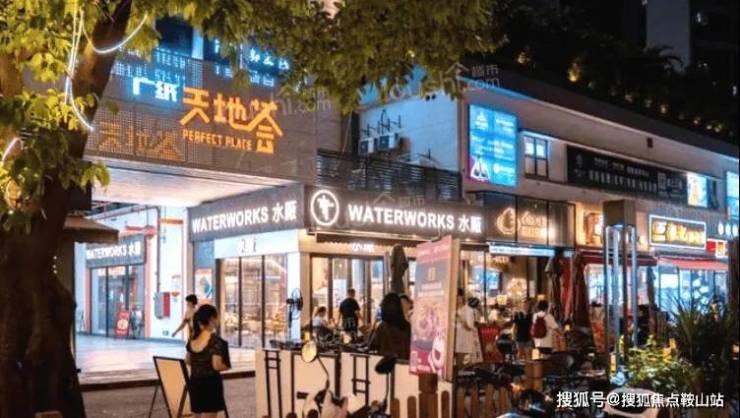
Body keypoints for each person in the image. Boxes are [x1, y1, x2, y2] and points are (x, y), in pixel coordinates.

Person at [186, 305, 230, 417]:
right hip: (210, 384)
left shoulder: (193, 339)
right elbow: (217, 365)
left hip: (194, 382)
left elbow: (188, 361)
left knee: (196, 415)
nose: (219, 319)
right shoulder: (216, 341)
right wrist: (227, 366)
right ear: (212, 319)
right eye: (218, 317)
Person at [369, 293, 411, 360]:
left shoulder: (382, 327)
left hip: (386, 363)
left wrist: (372, 330)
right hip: (404, 362)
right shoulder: (407, 326)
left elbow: (372, 346)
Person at [455, 289, 478, 367]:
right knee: (456, 368)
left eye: (458, 297)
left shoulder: (468, 310)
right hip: (454, 346)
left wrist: (459, 318)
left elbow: (469, 327)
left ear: (462, 297)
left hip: (464, 346)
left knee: (464, 368)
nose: (456, 299)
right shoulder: (452, 310)